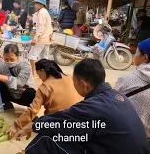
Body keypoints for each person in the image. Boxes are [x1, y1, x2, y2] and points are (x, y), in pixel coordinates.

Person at [15, 59, 150, 154]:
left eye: (74, 82)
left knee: (46, 139)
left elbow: (61, 120)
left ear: (83, 84)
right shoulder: (116, 96)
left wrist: (33, 126)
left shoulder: (93, 106)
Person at [6, 59, 83, 137]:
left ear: (42, 71)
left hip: (58, 123)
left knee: (42, 121)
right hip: (79, 120)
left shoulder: (45, 87)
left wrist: (15, 125)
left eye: (39, 74)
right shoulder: (69, 77)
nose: (40, 77)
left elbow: (33, 110)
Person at [115, 38, 150, 141]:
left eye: (136, 52)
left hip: (130, 139)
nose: (134, 55)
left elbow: (111, 105)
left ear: (145, 57)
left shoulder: (126, 80)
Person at [0, 44, 36, 110]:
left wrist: (2, 77)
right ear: (3, 56)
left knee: (31, 92)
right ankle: (7, 103)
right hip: (10, 93)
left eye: (12, 59)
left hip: (23, 94)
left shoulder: (25, 65)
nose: (9, 62)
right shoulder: (2, 63)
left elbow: (20, 82)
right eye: (6, 59)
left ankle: (31, 111)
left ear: (18, 56)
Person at [28, 0, 53, 77]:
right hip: (47, 39)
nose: (35, 5)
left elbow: (41, 27)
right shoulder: (45, 12)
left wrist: (35, 38)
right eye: (35, 3)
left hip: (41, 39)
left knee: (32, 56)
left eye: (37, 4)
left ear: (42, 5)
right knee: (44, 57)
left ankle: (34, 73)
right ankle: (45, 73)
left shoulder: (41, 13)